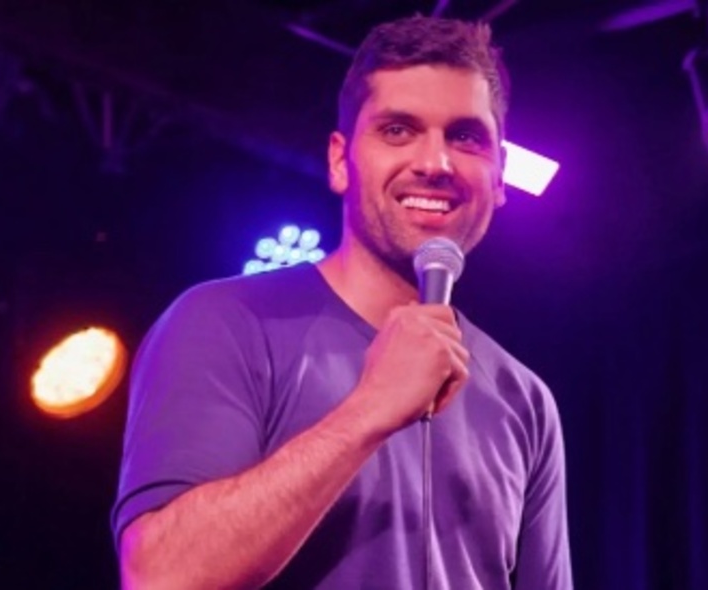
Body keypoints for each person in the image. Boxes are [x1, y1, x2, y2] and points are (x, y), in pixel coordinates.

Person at [112, 14, 572, 590]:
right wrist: (368, 411)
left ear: (500, 174)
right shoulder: (224, 324)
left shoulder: (524, 400)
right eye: (398, 130)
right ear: (339, 160)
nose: (435, 163)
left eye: (465, 136)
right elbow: (162, 576)